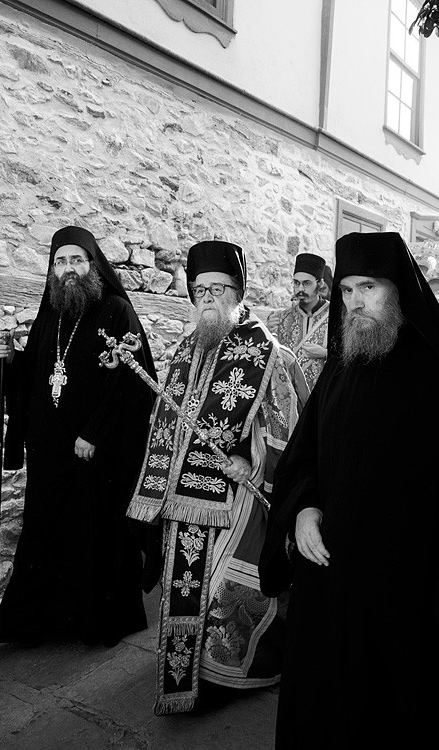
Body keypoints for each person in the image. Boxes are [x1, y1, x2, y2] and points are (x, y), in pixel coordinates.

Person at [260, 231, 439, 749]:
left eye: (368, 288)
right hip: (328, 583)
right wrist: (303, 509)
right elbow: (303, 457)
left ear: (397, 291)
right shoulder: (341, 367)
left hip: (405, 593)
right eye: (347, 289)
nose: (354, 302)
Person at [127, 240, 304, 715]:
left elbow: (288, 430)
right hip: (183, 498)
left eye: (218, 289)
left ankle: (228, 677)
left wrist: (251, 461)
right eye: (199, 290)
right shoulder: (187, 348)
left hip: (238, 498)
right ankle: (188, 675)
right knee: (185, 588)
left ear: (238, 293)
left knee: (223, 588)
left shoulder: (268, 353)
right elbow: (166, 419)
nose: (207, 298)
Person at [0, 226, 157, 646]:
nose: (68, 269)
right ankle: (28, 623)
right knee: (44, 532)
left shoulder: (117, 310)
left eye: (76, 260)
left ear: (93, 265)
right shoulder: (50, 312)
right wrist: (10, 359)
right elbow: (37, 372)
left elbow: (131, 383)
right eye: (60, 261)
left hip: (94, 451)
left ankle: (99, 622)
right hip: (51, 447)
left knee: (94, 533)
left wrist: (94, 433)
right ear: (52, 270)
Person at [268, 252, 331, 396]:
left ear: (320, 284)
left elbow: (350, 358)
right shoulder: (283, 317)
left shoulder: (337, 316)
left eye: (306, 283)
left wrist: (326, 354)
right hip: (292, 397)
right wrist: (270, 333)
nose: (300, 289)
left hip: (323, 396)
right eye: (296, 283)